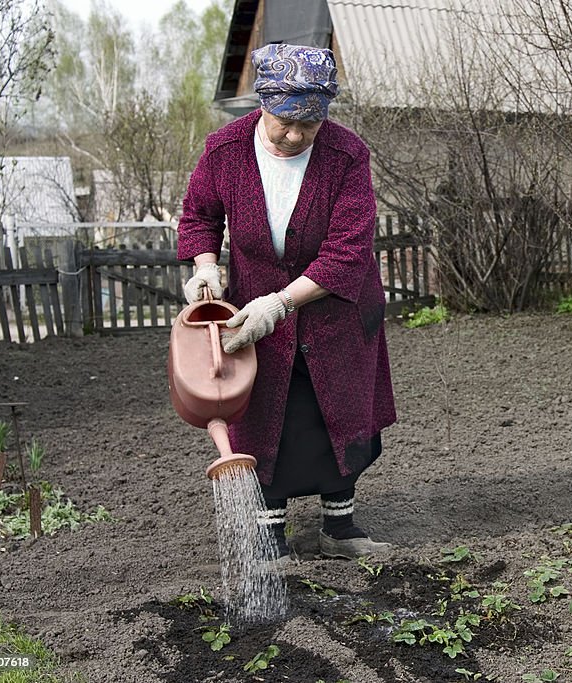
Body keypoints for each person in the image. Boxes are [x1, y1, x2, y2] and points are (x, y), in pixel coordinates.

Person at [178, 43, 396, 561]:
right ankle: (268, 534)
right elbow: (199, 217)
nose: (295, 135)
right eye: (284, 123)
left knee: (335, 412)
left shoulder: (346, 155)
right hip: (250, 309)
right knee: (263, 415)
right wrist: (206, 266)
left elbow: (348, 250)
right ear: (263, 106)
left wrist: (280, 303)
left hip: (337, 310)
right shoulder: (224, 150)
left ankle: (339, 531)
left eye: (309, 124)